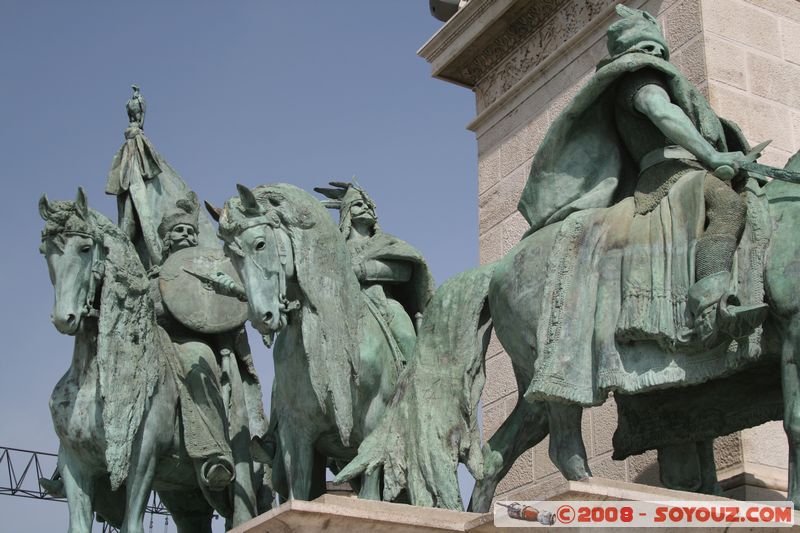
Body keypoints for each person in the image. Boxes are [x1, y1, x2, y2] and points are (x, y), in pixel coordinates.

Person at [518, 5, 766, 350]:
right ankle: (712, 308)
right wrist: (711, 155)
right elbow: (661, 112)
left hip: (691, 170)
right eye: (645, 49)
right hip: (667, 175)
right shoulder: (640, 79)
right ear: (629, 52)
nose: (654, 55)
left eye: (658, 50)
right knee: (727, 206)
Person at [316, 182, 435, 366]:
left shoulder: (387, 242)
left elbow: (405, 272)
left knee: (406, 337)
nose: (366, 208)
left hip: (384, 303)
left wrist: (362, 271)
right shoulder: (335, 248)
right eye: (358, 204)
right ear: (347, 211)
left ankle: (416, 385)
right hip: (342, 305)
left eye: (369, 205)